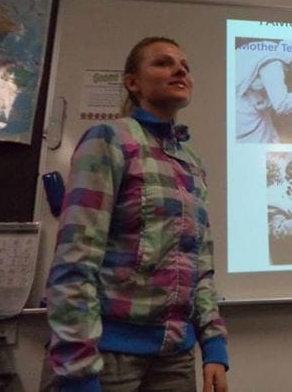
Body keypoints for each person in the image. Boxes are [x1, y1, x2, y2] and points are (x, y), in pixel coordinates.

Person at [43, 37, 228, 392]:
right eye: (163, 63)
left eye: (185, 66)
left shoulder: (191, 162)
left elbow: (200, 266)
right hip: (106, 354)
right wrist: (77, 369)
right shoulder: (109, 139)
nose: (180, 70)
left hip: (175, 356)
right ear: (132, 82)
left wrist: (214, 345)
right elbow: (75, 259)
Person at [235, 39, 292, 143]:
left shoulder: (272, 52)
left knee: (269, 135)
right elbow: (281, 105)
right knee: (261, 140)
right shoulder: (273, 65)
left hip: (247, 104)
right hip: (244, 111)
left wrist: (266, 101)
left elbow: (254, 85)